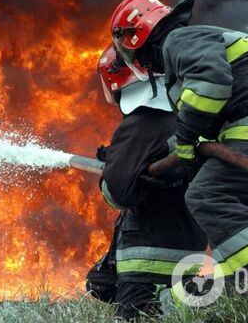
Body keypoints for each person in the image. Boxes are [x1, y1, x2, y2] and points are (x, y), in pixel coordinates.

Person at [109, 0, 248, 321]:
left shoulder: (178, 41)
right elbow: (209, 119)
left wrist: (183, 142)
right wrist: (175, 158)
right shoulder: (192, 44)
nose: (136, 61)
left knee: (209, 197)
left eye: (129, 51)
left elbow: (211, 86)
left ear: (137, 36)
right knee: (223, 210)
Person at [86, 44, 207, 321]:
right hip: (189, 245)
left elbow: (118, 194)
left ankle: (169, 304)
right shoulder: (185, 118)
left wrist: (112, 172)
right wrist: (122, 161)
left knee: (136, 316)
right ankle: (174, 302)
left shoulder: (141, 122)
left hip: (147, 254)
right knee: (100, 283)